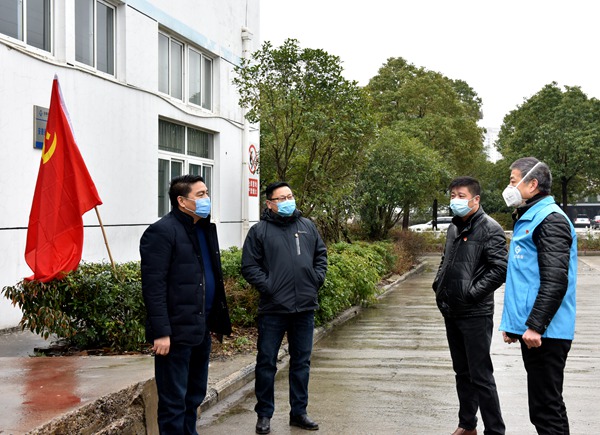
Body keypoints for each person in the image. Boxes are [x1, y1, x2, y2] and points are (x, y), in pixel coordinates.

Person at [140, 174, 232, 434]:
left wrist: (214, 322)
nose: (207, 199)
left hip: (200, 328)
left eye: (207, 193)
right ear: (181, 201)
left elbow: (208, 278)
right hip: (174, 333)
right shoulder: (161, 232)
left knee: (194, 397)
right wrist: (161, 332)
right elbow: (154, 287)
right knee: (173, 402)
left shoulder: (204, 228)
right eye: (200, 195)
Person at [242, 182, 328, 434]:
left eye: (290, 196)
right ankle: (264, 414)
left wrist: (315, 280)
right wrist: (269, 287)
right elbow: (249, 266)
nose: (288, 201)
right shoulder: (259, 231)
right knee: (266, 362)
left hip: (304, 307)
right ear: (269, 203)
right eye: (281, 198)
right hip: (273, 309)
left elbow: (321, 256)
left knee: (301, 362)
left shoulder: (307, 226)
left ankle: (299, 412)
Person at [499, 157, 577, 435]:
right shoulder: (531, 218)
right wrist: (514, 326)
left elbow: (555, 281)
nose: (509, 187)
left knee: (547, 409)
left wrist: (535, 326)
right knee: (545, 406)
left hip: (547, 332)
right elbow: (525, 279)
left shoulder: (550, 220)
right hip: (537, 330)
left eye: (513, 181)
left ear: (532, 184)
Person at [433, 176, 507, 435]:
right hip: (452, 310)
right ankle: (467, 425)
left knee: (481, 376)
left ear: (476, 199)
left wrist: (471, 294)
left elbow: (500, 269)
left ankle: (495, 430)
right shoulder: (454, 227)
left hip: (475, 313)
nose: (455, 200)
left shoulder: (490, 228)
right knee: (462, 373)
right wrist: (438, 286)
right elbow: (445, 260)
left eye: (461, 196)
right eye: (453, 195)